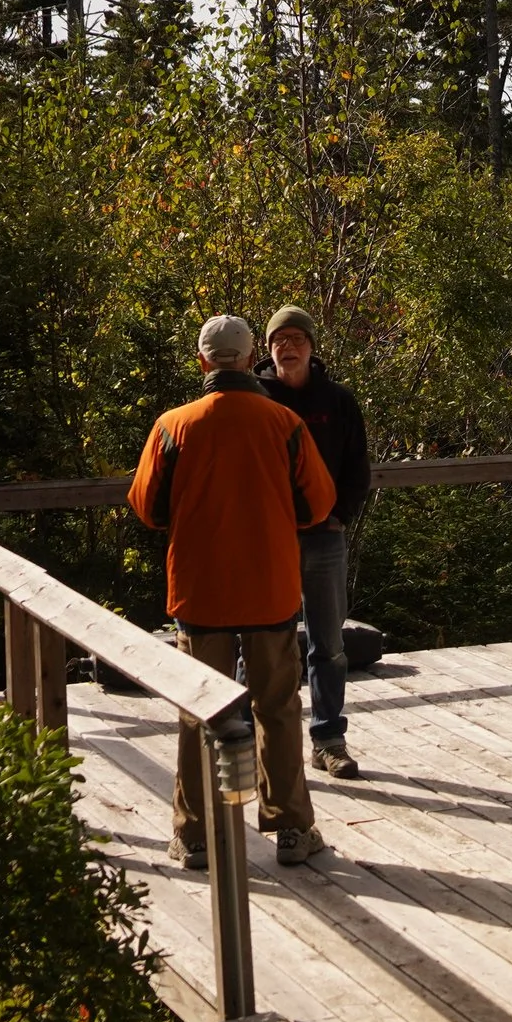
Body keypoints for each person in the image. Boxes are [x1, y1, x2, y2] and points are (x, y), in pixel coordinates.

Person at [129, 314, 337, 870]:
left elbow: (147, 507)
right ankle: (291, 828)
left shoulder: (173, 426)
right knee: (277, 707)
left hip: (201, 593)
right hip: (269, 588)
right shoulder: (284, 423)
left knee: (199, 712)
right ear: (251, 360)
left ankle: (194, 837)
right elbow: (318, 504)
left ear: (203, 361)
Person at [256, 304, 372, 779]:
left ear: (311, 346)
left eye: (297, 339)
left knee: (328, 644)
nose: (288, 347)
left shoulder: (338, 401)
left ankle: (328, 740)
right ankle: (255, 739)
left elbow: (357, 468)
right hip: (270, 541)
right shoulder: (256, 400)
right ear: (267, 350)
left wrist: (339, 516)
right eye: (279, 341)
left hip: (324, 540)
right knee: (262, 644)